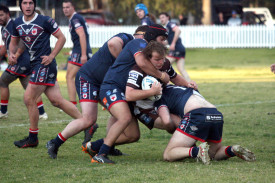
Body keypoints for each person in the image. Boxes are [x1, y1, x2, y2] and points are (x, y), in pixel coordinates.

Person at [46, 29, 135, 159]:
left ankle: (108, 146)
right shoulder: (128, 39)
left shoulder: (138, 51)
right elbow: (112, 44)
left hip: (106, 83)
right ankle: (54, 142)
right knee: (88, 119)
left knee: (117, 113)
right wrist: (122, 63)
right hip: (89, 79)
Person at [9, 0, 82, 148]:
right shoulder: (16, 22)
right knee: (56, 101)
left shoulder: (45, 20)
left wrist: (52, 55)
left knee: (29, 98)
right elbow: (14, 41)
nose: (28, 6)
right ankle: (87, 123)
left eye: (31, 3)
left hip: (44, 64)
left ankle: (33, 137)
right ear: (21, 5)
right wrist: (12, 54)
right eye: (25, 3)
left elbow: (62, 38)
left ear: (34, 5)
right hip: (34, 65)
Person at [154, 84, 256, 164]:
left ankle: (197, 151)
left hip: (197, 114)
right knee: (212, 154)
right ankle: (232, 150)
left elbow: (166, 120)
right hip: (216, 114)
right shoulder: (183, 85)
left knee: (168, 154)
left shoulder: (159, 96)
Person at [0, 5, 48, 120]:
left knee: (2, 82)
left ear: (8, 14)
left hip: (21, 61)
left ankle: (3, 111)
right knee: (29, 89)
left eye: (1, 15)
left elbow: (22, 41)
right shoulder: (3, 28)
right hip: (21, 62)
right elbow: (6, 47)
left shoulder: (13, 25)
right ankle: (42, 113)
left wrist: (16, 56)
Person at [62, 0, 92, 106]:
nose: (65, 9)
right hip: (78, 50)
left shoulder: (75, 19)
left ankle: (72, 105)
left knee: (70, 77)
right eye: (64, 7)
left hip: (79, 52)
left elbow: (82, 35)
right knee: (85, 78)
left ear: (73, 7)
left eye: (67, 7)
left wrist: (83, 54)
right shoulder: (76, 18)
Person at [159, 12, 191, 81]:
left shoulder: (170, 24)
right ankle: (191, 86)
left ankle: (165, 85)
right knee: (181, 69)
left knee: (163, 65)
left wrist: (173, 43)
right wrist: (160, 43)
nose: (161, 19)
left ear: (168, 17)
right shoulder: (167, 27)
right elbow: (168, 41)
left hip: (177, 48)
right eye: (160, 18)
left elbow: (178, 30)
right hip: (181, 49)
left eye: (163, 17)